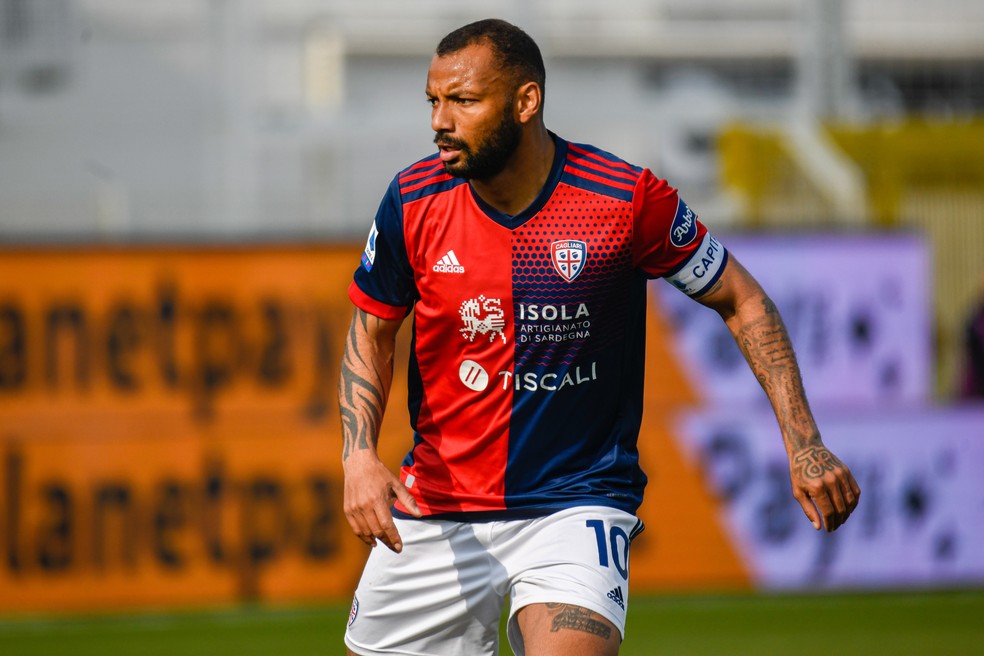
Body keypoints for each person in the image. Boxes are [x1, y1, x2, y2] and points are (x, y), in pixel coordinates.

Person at [338, 18, 859, 656]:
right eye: (433, 101)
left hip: (574, 503)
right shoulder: (414, 200)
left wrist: (804, 444)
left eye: (463, 101)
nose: (440, 120)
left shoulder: (621, 198)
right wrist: (359, 455)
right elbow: (372, 328)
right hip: (437, 507)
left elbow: (743, 298)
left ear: (526, 102)